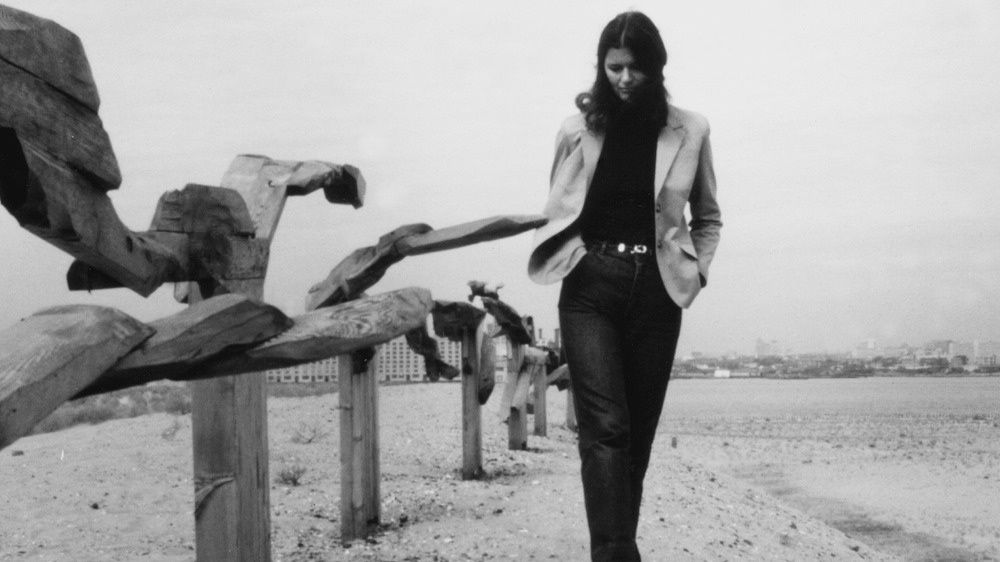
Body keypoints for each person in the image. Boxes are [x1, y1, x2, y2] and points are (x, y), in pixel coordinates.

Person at [527, 11, 721, 561]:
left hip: (659, 293)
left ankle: (616, 547)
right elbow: (557, 208)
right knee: (605, 430)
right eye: (614, 67)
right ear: (601, 67)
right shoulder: (575, 129)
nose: (625, 78)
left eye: (637, 67)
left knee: (636, 437)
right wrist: (575, 258)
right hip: (591, 288)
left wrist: (697, 271)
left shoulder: (692, 128)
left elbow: (708, 216)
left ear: (657, 67)